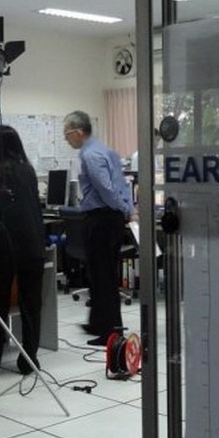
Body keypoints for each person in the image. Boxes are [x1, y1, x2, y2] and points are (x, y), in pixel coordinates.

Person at [0, 125, 47, 375]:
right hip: (32, 245)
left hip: (1, 247)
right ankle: (28, 360)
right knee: (30, 305)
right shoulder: (28, 171)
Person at [62, 110, 134, 345]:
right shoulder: (104, 150)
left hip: (102, 218)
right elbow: (122, 184)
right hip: (109, 217)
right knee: (98, 273)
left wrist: (121, 208)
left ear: (79, 132)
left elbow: (106, 189)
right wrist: (127, 208)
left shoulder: (91, 155)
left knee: (103, 276)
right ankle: (97, 323)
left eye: (67, 133)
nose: (65, 138)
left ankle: (110, 332)